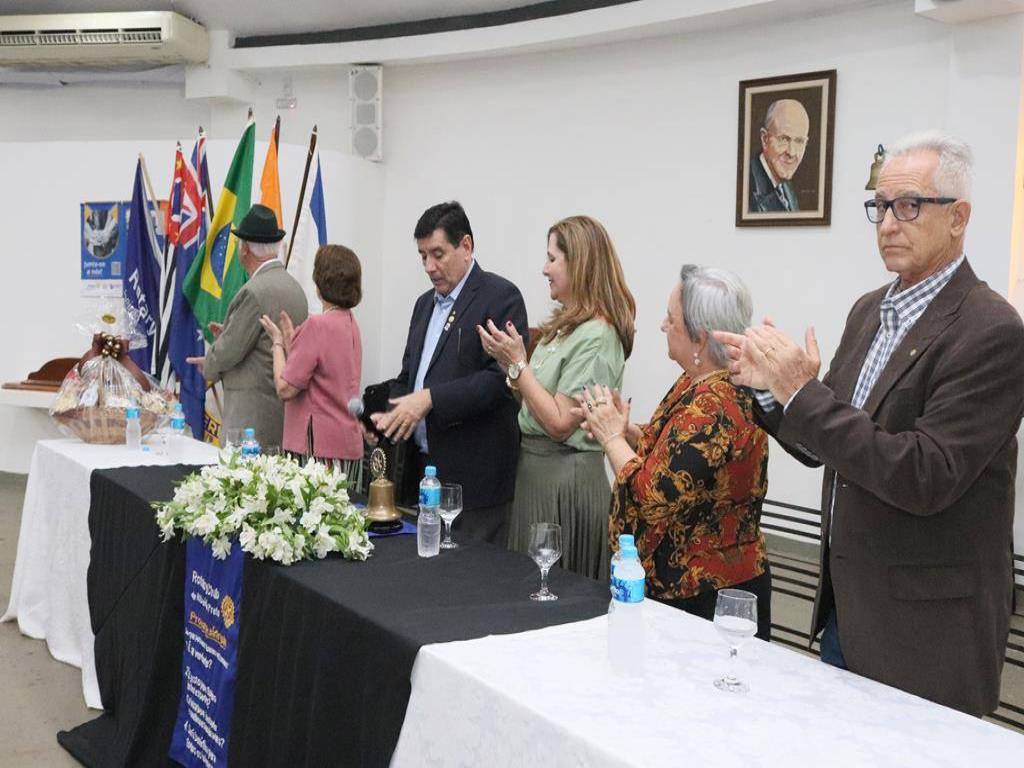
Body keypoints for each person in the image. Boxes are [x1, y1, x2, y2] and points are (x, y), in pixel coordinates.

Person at [714, 131, 1024, 716]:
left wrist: (801, 391)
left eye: (908, 206)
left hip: (927, 634)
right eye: (879, 207)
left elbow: (924, 475)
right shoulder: (869, 311)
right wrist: (770, 392)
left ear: (958, 218)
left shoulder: (991, 331)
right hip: (849, 609)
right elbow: (826, 442)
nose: (887, 224)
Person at [576, 265, 771, 638]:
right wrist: (629, 432)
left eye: (671, 318)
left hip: (708, 598)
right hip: (694, 587)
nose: (663, 325)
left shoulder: (715, 402)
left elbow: (654, 495)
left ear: (700, 338)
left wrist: (611, 438)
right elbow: (679, 453)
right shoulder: (701, 381)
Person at [477, 216, 634, 580]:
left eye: (552, 259)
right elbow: (535, 404)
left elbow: (561, 423)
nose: (544, 269)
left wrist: (519, 366)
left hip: (565, 482)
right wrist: (511, 365)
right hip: (537, 474)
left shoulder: (598, 335)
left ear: (578, 263)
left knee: (553, 591)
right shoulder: (564, 327)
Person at [372, 201, 528, 543]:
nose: (429, 267)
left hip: (475, 485)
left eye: (438, 254)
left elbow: (500, 381)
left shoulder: (500, 297)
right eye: (422, 256)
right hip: (423, 476)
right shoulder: (423, 304)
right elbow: (409, 378)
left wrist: (432, 399)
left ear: (466, 246)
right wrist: (387, 417)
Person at [187, 203, 309, 448]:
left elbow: (229, 351)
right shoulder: (296, 289)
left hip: (251, 420)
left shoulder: (253, 292)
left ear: (244, 249)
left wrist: (210, 364)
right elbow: (263, 342)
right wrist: (230, 332)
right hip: (285, 417)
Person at [259, 244, 363, 478]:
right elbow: (319, 372)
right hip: (346, 445)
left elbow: (285, 388)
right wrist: (292, 343)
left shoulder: (317, 325)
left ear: (320, 281)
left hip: (319, 450)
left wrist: (277, 343)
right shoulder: (349, 321)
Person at [749, 99, 809, 213]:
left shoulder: (787, 189)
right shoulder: (747, 188)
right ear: (765, 139)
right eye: (784, 139)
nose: (792, 152)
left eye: (799, 141)